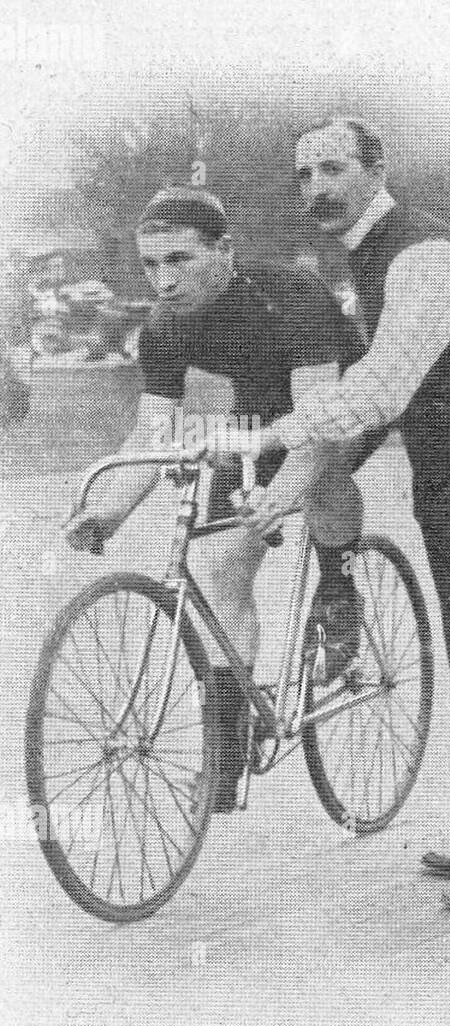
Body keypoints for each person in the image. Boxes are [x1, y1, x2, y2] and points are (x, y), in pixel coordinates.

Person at [253, 115, 450, 913]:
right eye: (304, 176)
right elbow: (387, 402)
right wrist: (308, 473)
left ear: (376, 168)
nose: (316, 191)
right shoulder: (377, 252)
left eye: (332, 169)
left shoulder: (423, 253)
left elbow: (382, 389)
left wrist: (280, 434)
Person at [64, 186, 368, 812]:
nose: (163, 281)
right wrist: (108, 512)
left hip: (339, 400)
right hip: (258, 412)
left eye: (179, 260)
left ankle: (339, 586)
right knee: (222, 565)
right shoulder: (164, 326)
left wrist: (283, 496)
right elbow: (156, 431)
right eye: (151, 266)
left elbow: (316, 427)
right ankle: (230, 743)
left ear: (226, 250)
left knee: (324, 476)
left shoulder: (293, 296)